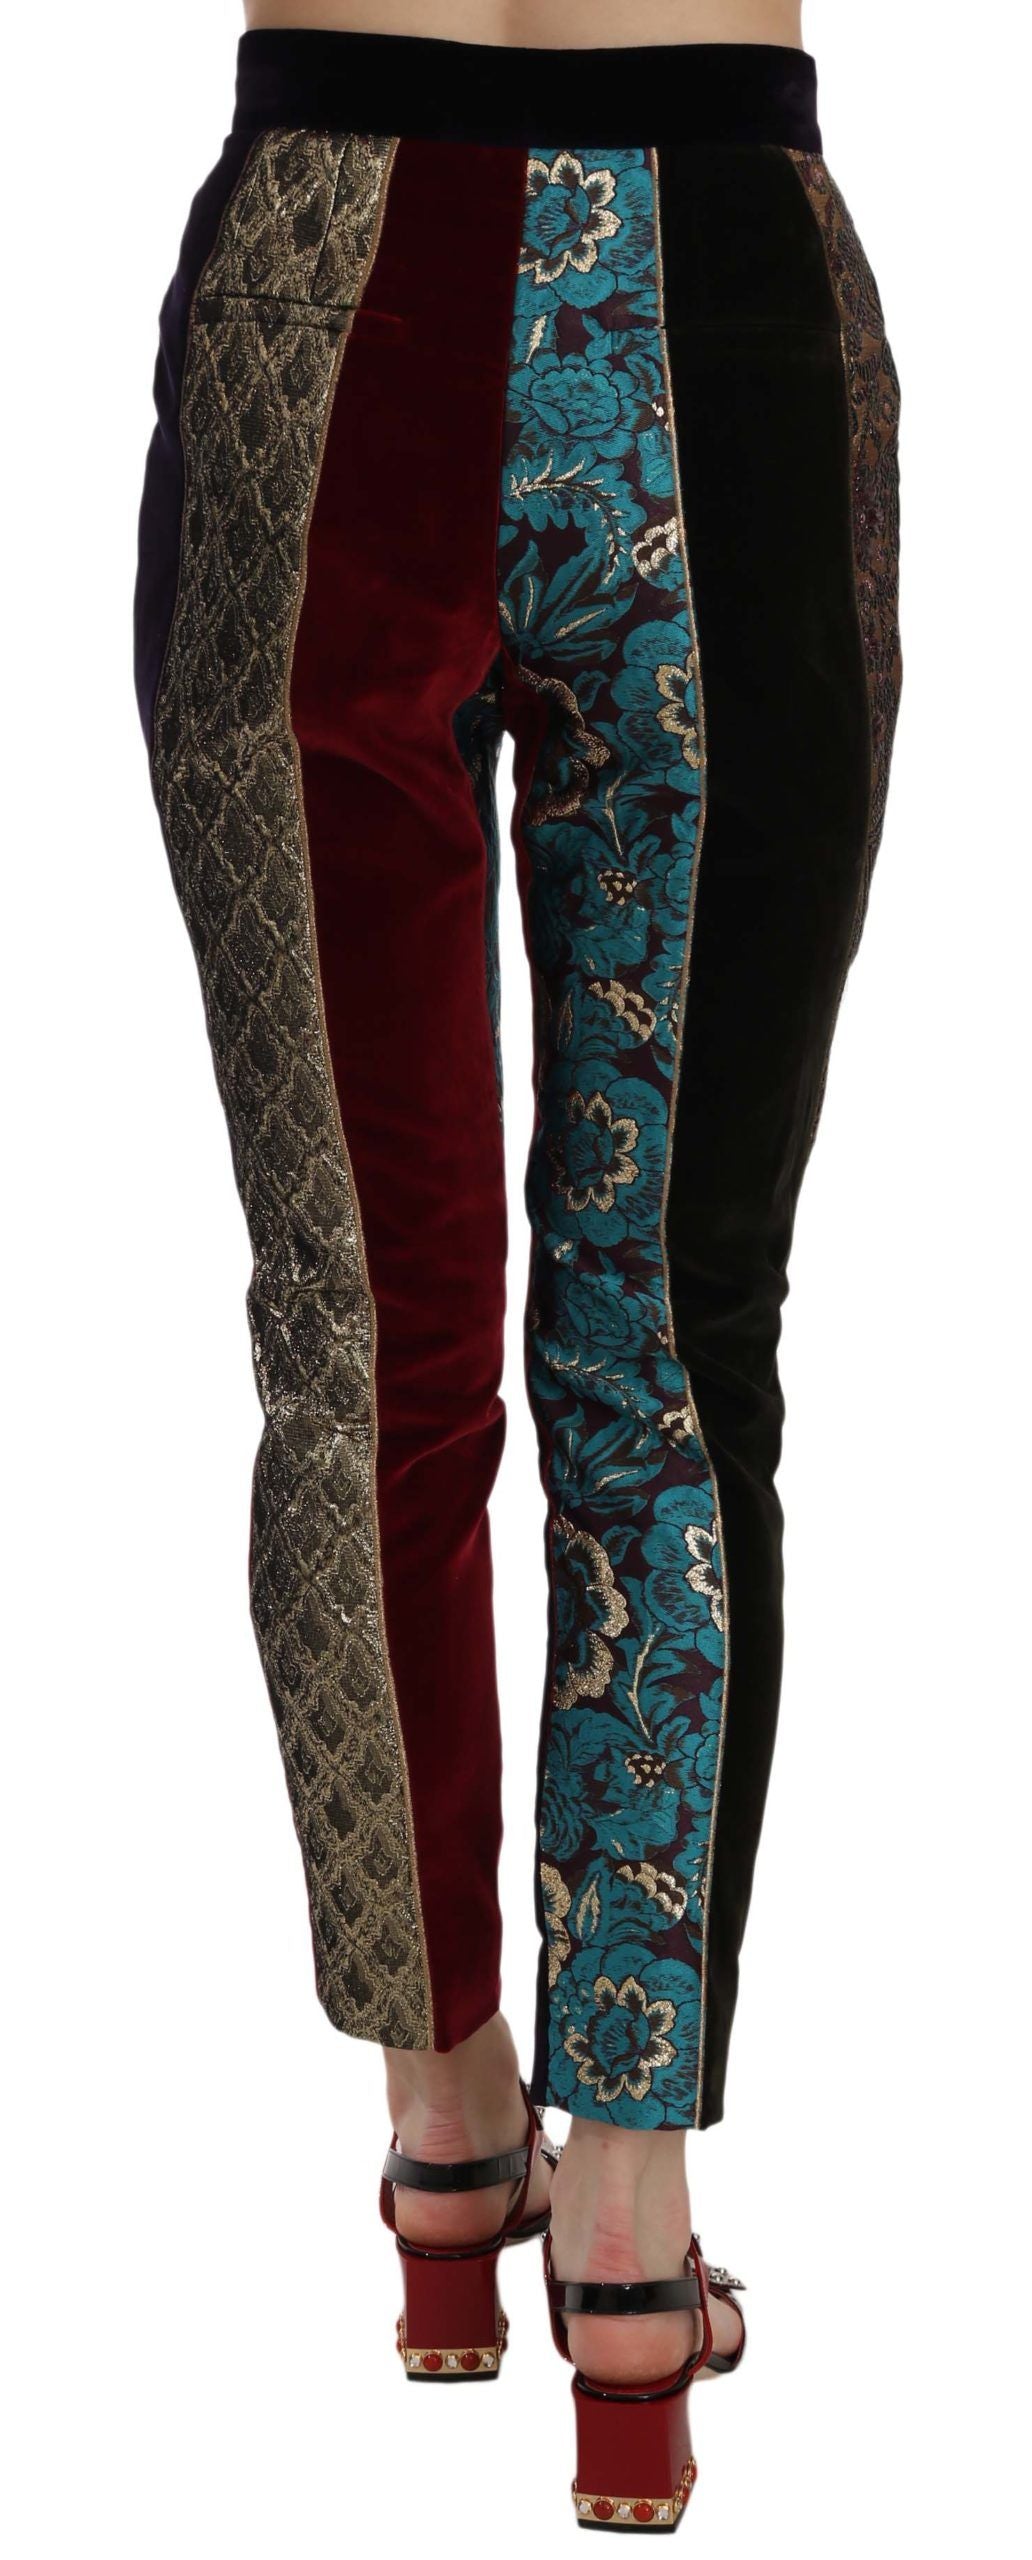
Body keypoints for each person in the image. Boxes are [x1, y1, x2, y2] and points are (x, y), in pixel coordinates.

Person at [134, 0, 901, 2523]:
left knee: (361, 1336)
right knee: (668, 1349)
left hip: (325, 286)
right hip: (723, 305)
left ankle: (450, 2116)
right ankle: (632, 2225)